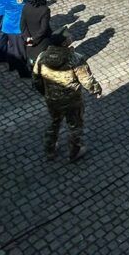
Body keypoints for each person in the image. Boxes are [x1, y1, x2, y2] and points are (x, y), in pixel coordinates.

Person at [32, 31, 102, 162]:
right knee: (75, 126)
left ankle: (49, 149)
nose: (71, 35)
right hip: (72, 100)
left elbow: (36, 79)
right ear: (64, 43)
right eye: (68, 35)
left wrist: (46, 93)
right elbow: (87, 80)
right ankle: (74, 152)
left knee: (55, 122)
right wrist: (96, 90)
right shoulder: (75, 59)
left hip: (52, 99)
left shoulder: (42, 57)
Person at [0, 0, 30, 77]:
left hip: (10, 23)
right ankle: (23, 72)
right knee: (20, 50)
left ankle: (12, 65)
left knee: (12, 47)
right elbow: (25, 9)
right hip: (16, 25)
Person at [21, 0, 52, 67]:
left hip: (29, 40)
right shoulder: (45, 10)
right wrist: (34, 39)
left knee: (32, 59)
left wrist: (27, 38)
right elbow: (43, 28)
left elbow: (22, 25)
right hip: (42, 41)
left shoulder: (26, 6)